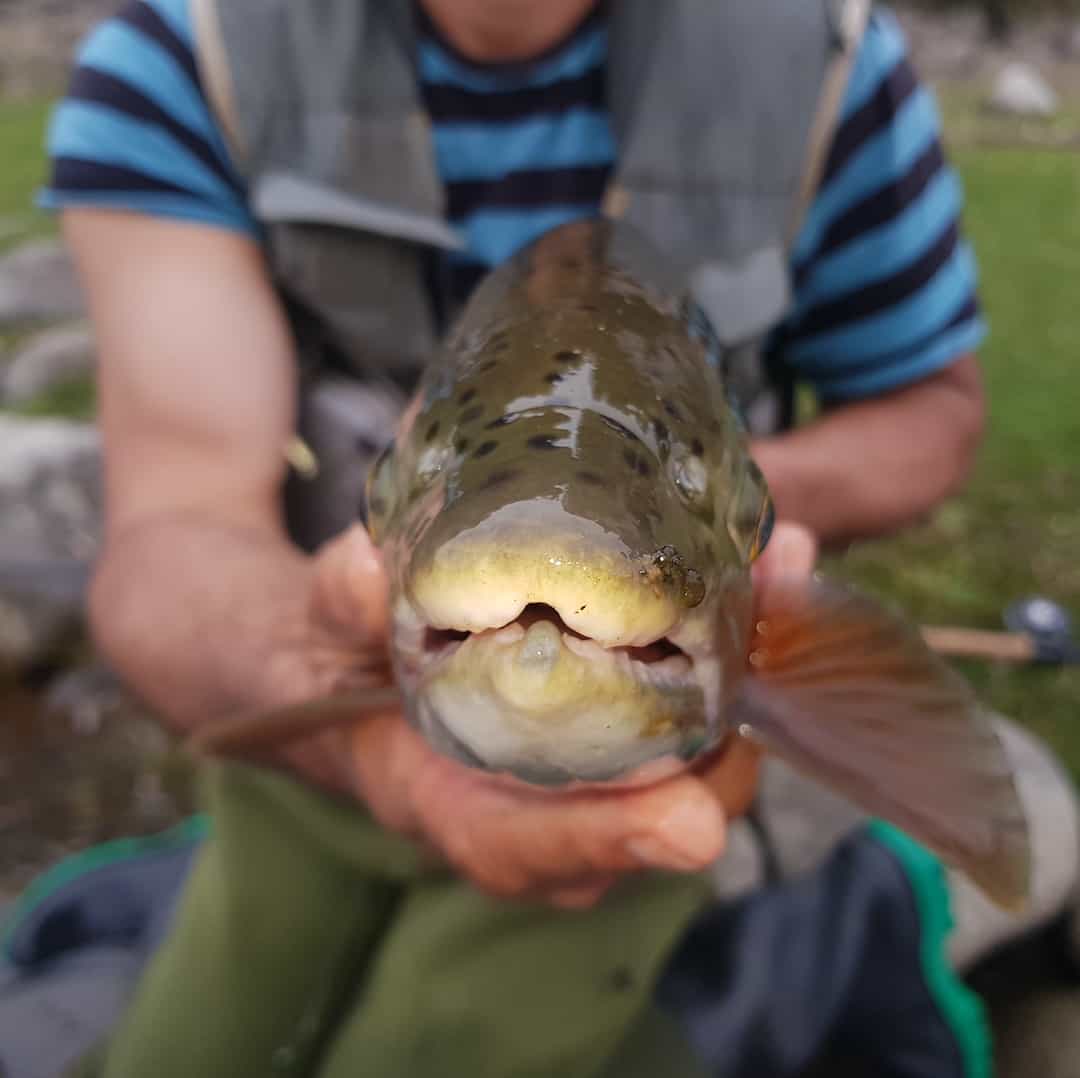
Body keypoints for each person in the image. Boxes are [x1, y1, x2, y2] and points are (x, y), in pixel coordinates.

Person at [1, 1, 1074, 1076]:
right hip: (301, 703)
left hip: (654, 769)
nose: (552, 589)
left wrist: (727, 510)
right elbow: (173, 521)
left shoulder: (834, 65)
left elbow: (934, 410)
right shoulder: (178, 60)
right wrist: (307, 677)